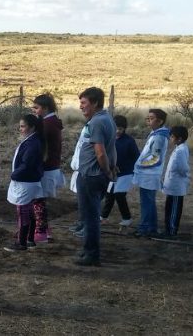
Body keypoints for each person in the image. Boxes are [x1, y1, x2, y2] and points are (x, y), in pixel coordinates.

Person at [74, 87, 116, 267]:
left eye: (84, 103)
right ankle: (88, 250)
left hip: (91, 176)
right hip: (95, 175)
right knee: (90, 215)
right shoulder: (107, 119)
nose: (81, 106)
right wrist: (111, 167)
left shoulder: (97, 122)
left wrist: (106, 169)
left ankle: (91, 254)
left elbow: (100, 153)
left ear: (96, 103)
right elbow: (111, 148)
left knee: (90, 217)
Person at [4, 114, 44, 252]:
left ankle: (21, 242)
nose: (20, 129)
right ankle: (30, 239)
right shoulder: (32, 141)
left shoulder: (32, 143)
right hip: (28, 180)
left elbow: (26, 164)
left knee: (23, 211)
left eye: (23, 126)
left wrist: (14, 174)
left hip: (25, 181)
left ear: (32, 127)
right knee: (29, 210)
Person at [132, 109, 170, 238]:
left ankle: (143, 229)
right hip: (148, 174)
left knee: (146, 203)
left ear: (160, 121)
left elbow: (155, 158)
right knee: (149, 202)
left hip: (149, 174)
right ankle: (152, 227)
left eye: (152, 118)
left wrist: (139, 164)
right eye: (147, 117)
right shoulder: (155, 134)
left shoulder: (159, 136)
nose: (148, 120)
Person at [31, 94, 64, 243]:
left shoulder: (47, 124)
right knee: (40, 199)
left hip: (46, 167)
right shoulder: (52, 122)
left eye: (36, 108)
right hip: (51, 166)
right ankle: (43, 229)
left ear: (45, 108)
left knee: (38, 199)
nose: (34, 110)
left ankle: (41, 231)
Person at [100, 115, 140, 226]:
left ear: (124, 129)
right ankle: (103, 216)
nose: (118, 131)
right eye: (116, 128)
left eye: (121, 129)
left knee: (119, 195)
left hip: (125, 173)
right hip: (112, 173)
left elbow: (136, 157)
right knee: (110, 195)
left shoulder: (129, 141)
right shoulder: (108, 139)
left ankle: (127, 218)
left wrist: (132, 170)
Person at [161, 126, 190, 237]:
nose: (170, 138)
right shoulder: (178, 148)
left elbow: (183, 168)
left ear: (179, 139)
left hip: (177, 186)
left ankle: (172, 231)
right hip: (172, 185)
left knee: (174, 210)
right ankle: (168, 229)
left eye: (172, 137)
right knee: (169, 208)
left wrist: (182, 177)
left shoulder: (181, 150)